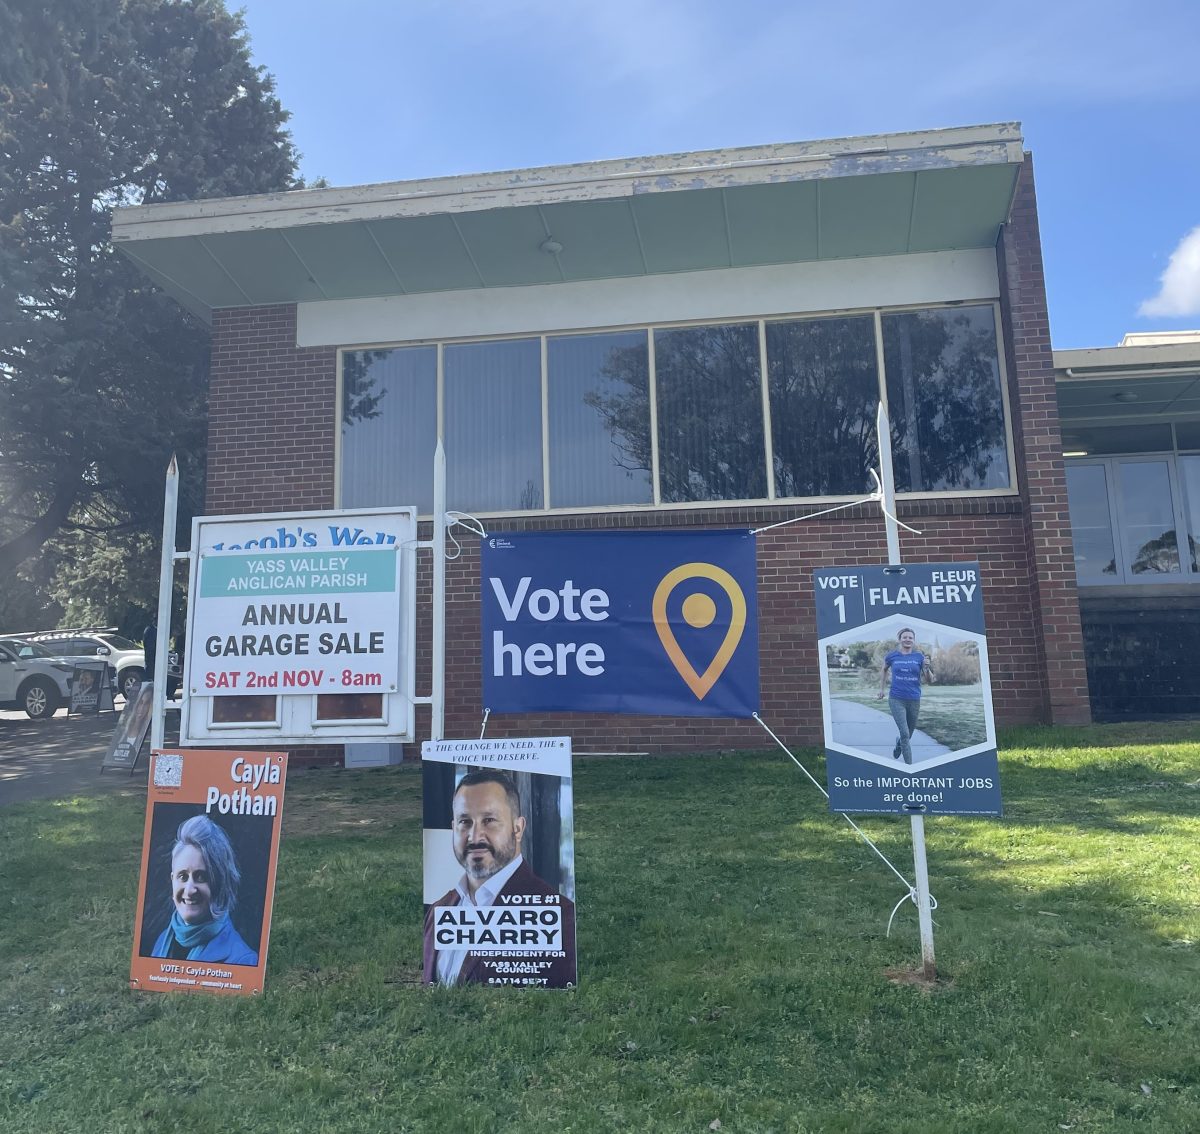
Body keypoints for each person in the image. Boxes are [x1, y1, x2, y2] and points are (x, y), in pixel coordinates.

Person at [423, 769, 576, 987]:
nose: (475, 837)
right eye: (465, 822)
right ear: (453, 829)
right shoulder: (438, 910)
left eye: (489, 820)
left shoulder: (560, 918)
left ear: (518, 828)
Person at [150, 815, 258, 965]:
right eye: (183, 876)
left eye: (201, 877)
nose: (189, 890)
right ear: (172, 880)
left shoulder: (243, 959)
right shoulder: (163, 941)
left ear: (221, 884)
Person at [876, 627, 934, 764]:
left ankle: (898, 745)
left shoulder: (919, 657)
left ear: (913, 641)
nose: (908, 640)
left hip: (914, 699)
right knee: (905, 733)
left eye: (910, 638)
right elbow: (884, 670)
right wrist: (881, 689)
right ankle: (909, 767)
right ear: (900, 639)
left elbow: (930, 680)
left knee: (908, 734)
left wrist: (926, 667)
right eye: (905, 637)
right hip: (896, 698)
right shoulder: (892, 656)